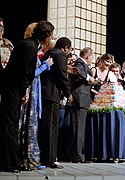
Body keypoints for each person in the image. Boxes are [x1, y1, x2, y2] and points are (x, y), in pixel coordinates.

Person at [0, 20, 55, 173]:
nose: (51, 38)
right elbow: (23, 72)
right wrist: (24, 89)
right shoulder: (29, 46)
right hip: (11, 88)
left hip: (14, 87)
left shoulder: (30, 45)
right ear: (46, 36)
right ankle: (9, 162)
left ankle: (11, 160)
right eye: (51, 36)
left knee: (10, 124)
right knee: (10, 125)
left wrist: (24, 88)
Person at [19, 22, 55, 170]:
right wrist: (45, 65)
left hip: (34, 91)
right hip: (29, 91)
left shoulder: (32, 48)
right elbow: (30, 73)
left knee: (32, 125)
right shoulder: (30, 49)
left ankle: (31, 158)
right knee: (27, 124)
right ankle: (27, 159)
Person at [39, 37, 73, 169]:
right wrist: (68, 93)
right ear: (65, 47)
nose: (69, 52)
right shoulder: (61, 56)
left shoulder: (49, 53)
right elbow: (62, 76)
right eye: (69, 49)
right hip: (52, 95)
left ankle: (44, 156)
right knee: (52, 128)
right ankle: (50, 159)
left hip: (44, 93)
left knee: (45, 126)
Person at [69, 47, 94, 163]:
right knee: (78, 129)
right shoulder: (79, 63)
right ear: (88, 56)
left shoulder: (83, 65)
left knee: (79, 128)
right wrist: (89, 78)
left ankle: (77, 154)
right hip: (80, 99)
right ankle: (78, 155)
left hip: (82, 99)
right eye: (91, 58)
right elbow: (79, 73)